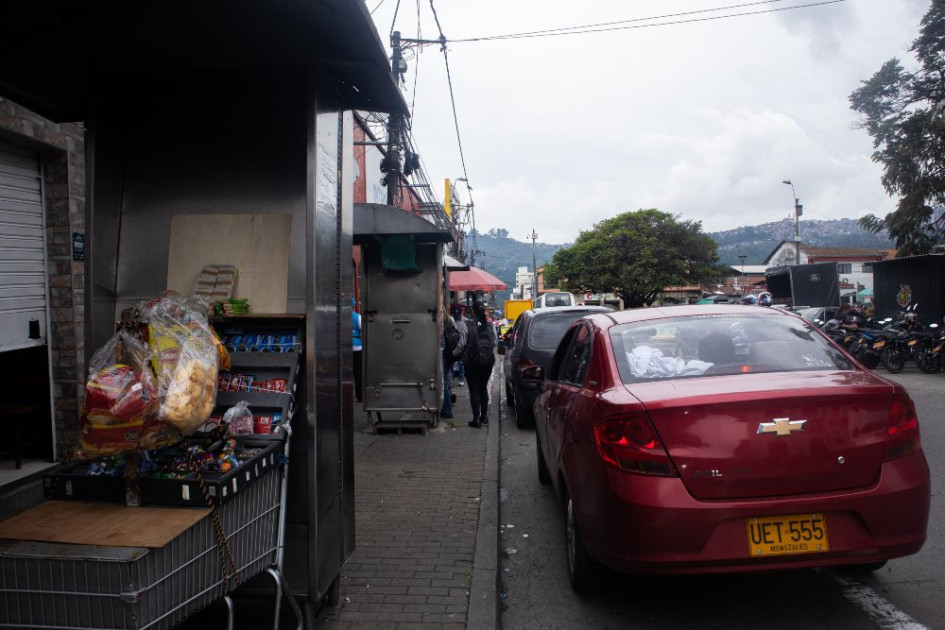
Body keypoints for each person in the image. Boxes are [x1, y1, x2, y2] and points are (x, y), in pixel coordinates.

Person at [463, 300, 497, 429]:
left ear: (473, 311)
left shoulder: (468, 325)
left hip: (472, 363)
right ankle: (484, 417)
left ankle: (476, 420)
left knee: (474, 390)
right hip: (488, 362)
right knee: (483, 388)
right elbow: (495, 343)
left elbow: (462, 344)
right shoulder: (490, 325)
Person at [450, 303, 467, 386]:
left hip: (457, 346)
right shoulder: (452, 322)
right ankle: (456, 379)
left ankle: (458, 379)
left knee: (458, 363)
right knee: (456, 363)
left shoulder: (464, 322)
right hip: (456, 346)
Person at [352, 298, 363, 402]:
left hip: (344, 347)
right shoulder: (357, 317)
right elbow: (362, 329)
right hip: (357, 347)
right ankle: (360, 396)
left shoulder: (341, 317)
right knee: (358, 373)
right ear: (353, 306)